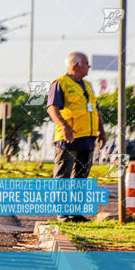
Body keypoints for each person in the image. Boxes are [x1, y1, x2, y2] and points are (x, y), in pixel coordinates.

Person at [46, 52, 107, 222]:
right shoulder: (60, 84)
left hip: (87, 139)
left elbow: (95, 110)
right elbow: (52, 109)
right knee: (63, 176)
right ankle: (63, 213)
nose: (89, 67)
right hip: (68, 138)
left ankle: (75, 213)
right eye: (87, 63)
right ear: (76, 65)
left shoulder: (87, 85)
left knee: (81, 177)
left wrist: (101, 131)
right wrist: (65, 126)